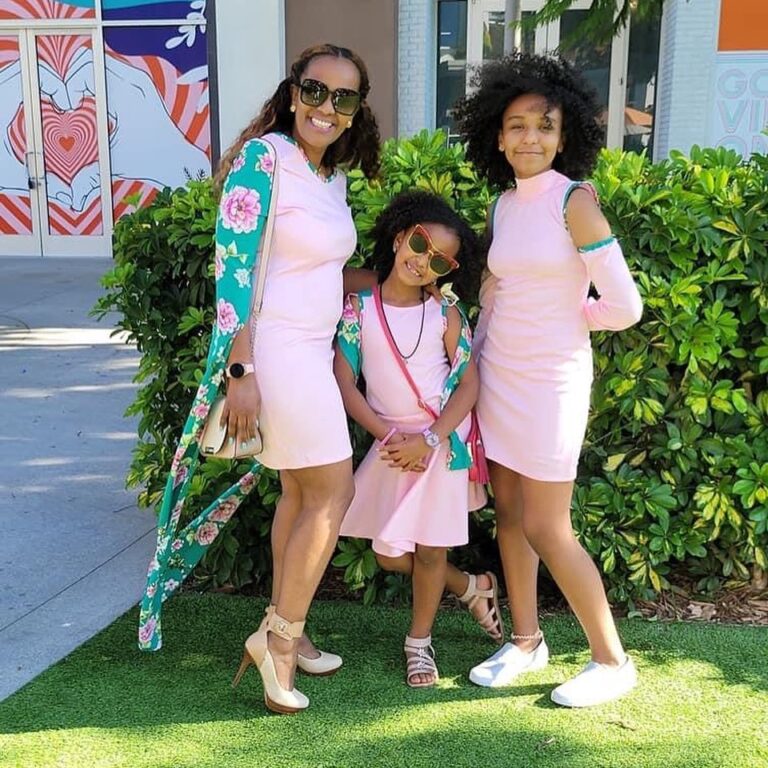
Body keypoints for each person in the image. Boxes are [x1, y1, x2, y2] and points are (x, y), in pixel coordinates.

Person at [138, 43, 381, 716]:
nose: (327, 107)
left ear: (357, 110)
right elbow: (235, 267)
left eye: (344, 97)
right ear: (293, 92)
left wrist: (396, 283)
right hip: (275, 354)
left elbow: (318, 271)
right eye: (316, 90)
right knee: (332, 491)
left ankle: (287, 625)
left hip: (311, 351)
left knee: (301, 494)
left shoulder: (329, 177)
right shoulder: (263, 159)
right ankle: (278, 642)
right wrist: (240, 369)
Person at [454, 52, 643, 707]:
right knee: (509, 516)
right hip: (499, 377)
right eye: (517, 126)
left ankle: (612, 661)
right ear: (497, 136)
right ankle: (527, 641)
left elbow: (625, 307)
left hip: (553, 383)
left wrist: (570, 317)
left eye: (544, 126)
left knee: (547, 526)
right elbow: (495, 292)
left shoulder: (575, 202)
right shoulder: (504, 205)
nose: (529, 138)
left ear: (565, 137)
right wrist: (471, 361)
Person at [334, 191, 503, 688]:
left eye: (439, 260)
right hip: (391, 444)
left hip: (440, 444)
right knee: (388, 554)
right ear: (397, 237)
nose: (422, 261)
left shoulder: (446, 313)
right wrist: (388, 437)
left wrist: (429, 439)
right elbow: (344, 379)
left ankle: (419, 644)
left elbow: (468, 384)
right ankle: (471, 587)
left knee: (430, 550)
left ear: (446, 271)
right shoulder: (358, 308)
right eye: (418, 243)